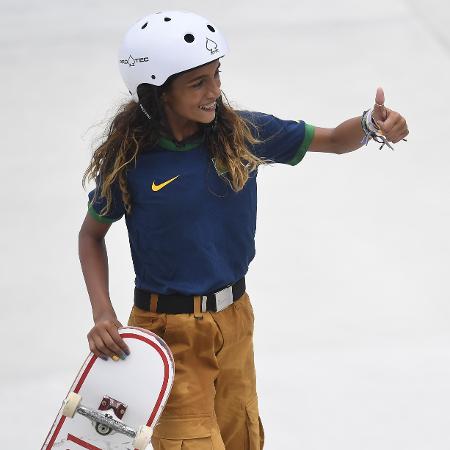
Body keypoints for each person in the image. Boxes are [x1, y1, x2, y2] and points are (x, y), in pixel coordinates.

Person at [78, 10, 409, 450]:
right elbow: (91, 236)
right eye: (198, 82)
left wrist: (371, 125)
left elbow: (331, 139)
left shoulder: (242, 133)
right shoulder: (133, 160)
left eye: (216, 75)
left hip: (235, 322)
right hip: (167, 335)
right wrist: (103, 313)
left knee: (244, 441)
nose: (215, 91)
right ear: (157, 93)